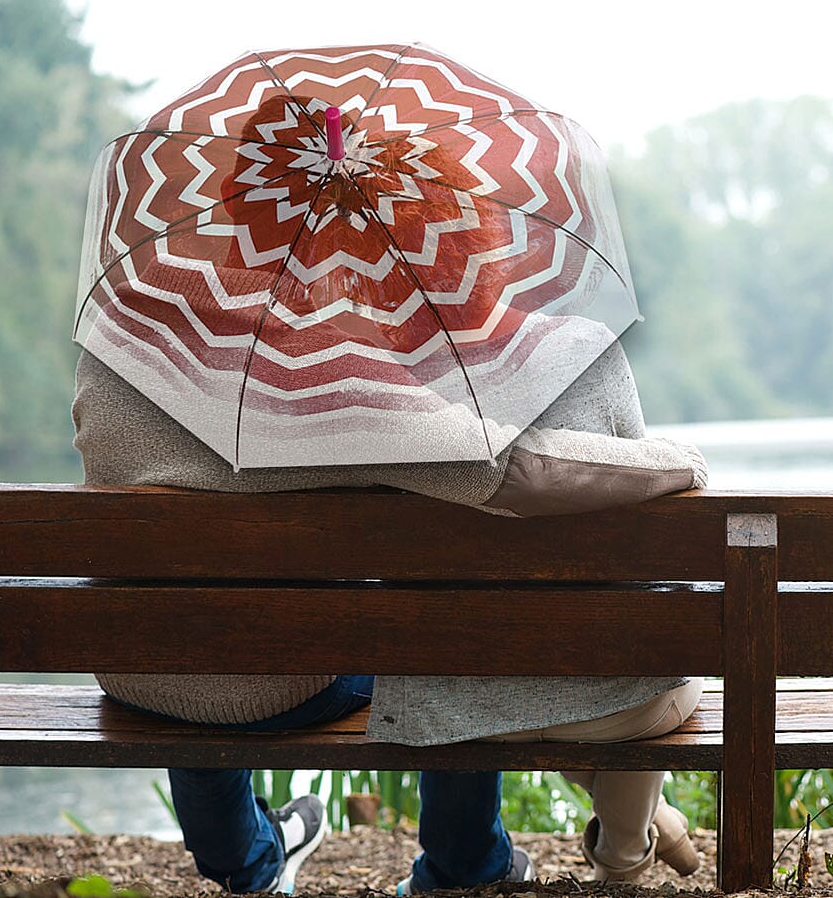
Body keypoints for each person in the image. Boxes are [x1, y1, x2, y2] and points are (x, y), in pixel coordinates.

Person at [72, 322, 708, 892]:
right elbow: (492, 470)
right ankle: (466, 863)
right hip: (291, 680)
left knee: (194, 620)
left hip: (133, 664)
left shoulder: (112, 344)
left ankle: (243, 859)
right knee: (443, 636)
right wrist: (679, 462)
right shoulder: (316, 357)